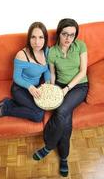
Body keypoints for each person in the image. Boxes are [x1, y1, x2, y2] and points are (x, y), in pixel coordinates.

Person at [33, 18, 89, 177]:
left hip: (78, 86)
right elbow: (51, 73)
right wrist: (52, 88)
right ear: (58, 33)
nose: (68, 39)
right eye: (65, 34)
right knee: (66, 119)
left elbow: (83, 72)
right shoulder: (51, 52)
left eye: (72, 35)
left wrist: (66, 89)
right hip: (59, 85)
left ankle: (48, 145)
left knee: (62, 111)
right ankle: (64, 157)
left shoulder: (81, 46)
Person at [0, 22, 50, 122]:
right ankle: (5, 110)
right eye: (33, 37)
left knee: (43, 107)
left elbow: (46, 69)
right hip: (20, 88)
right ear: (29, 38)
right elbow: (16, 78)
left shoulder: (46, 51)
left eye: (41, 37)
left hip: (37, 88)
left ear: (45, 38)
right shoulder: (21, 55)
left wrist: (48, 83)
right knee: (38, 115)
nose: (37, 42)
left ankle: (8, 102)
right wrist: (29, 87)